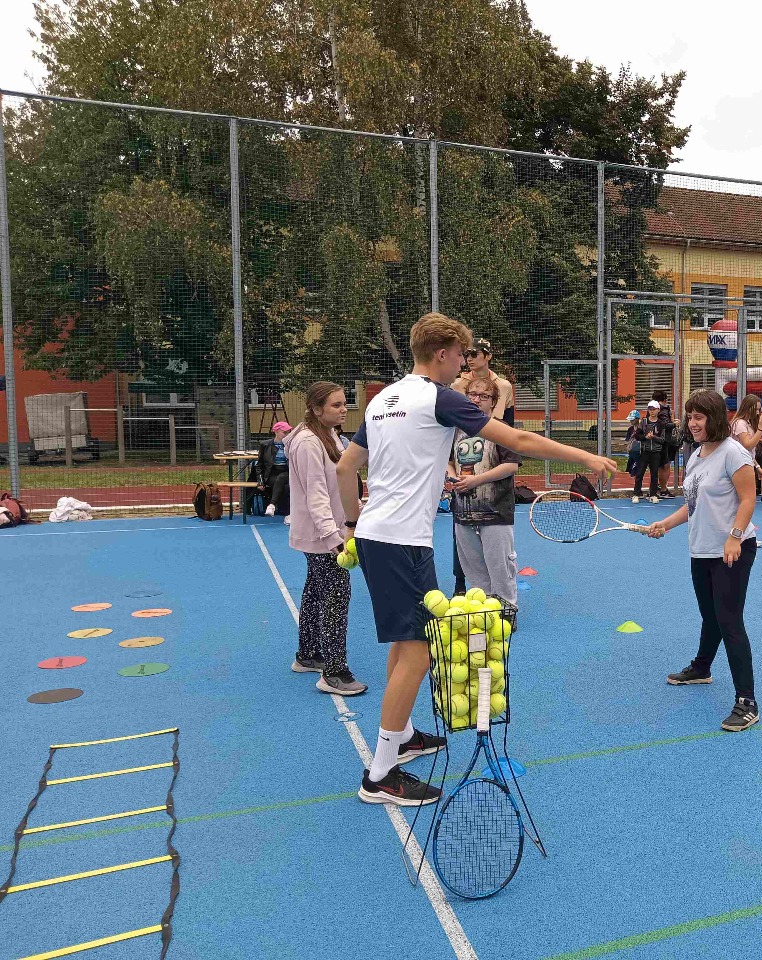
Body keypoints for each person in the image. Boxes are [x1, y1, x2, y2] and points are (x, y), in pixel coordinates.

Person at [337, 312, 615, 807]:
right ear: (442, 353)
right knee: (420, 651)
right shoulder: (439, 397)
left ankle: (402, 737)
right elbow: (518, 440)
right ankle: (379, 775)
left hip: (379, 535)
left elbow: (345, 468)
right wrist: (585, 457)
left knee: (405, 642)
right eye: (461, 357)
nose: (464, 366)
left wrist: (354, 526)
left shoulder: (382, 400)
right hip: (402, 540)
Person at [645, 389, 760, 733]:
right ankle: (702, 668)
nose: (692, 423)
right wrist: (666, 523)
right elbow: (692, 503)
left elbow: (748, 498)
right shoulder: (696, 455)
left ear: (716, 418)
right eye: (690, 417)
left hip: (732, 551)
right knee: (710, 616)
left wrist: (734, 536)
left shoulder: (733, 453)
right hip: (701, 550)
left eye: (699, 417)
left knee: (730, 621)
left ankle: (747, 702)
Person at [286, 382, 367, 696]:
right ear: (316, 409)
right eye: (336, 405)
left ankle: (308, 655)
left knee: (315, 590)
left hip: (328, 530)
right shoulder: (307, 443)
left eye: (345, 403)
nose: (344, 409)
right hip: (323, 535)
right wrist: (334, 538)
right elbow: (316, 495)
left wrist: (357, 510)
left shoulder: (330, 435)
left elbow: (341, 484)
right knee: (336, 596)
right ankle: (334, 672)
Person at [449, 378, 521, 610]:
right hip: (463, 513)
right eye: (472, 394)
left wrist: (476, 480)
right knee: (474, 571)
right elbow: (447, 461)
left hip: (495, 512)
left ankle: (507, 611)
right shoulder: (455, 431)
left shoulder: (501, 429)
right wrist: (452, 477)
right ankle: (484, 612)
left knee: (500, 568)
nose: (476, 399)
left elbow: (511, 465)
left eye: (484, 396)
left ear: (493, 402)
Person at [451, 337, 514, 426]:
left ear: (488, 356)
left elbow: (509, 422)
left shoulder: (504, 386)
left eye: (474, 354)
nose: (469, 359)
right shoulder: (456, 385)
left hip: (496, 432)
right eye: (467, 355)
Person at [632, 400, 665, 504]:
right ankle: (637, 493)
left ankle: (653, 494)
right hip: (645, 451)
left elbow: (662, 439)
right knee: (640, 473)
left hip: (656, 452)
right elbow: (637, 436)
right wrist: (645, 437)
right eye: (650, 409)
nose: (652, 411)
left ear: (658, 410)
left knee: (654, 474)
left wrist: (653, 437)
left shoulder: (661, 424)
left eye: (654, 409)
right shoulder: (644, 422)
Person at [258, 421, 292, 517]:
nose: (287, 434)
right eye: (284, 432)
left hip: (288, 472)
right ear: (276, 432)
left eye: (289, 432)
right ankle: (287, 513)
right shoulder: (265, 445)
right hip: (272, 473)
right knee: (284, 486)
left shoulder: (291, 444)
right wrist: (260, 481)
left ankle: (272, 504)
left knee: (282, 478)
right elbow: (259, 465)